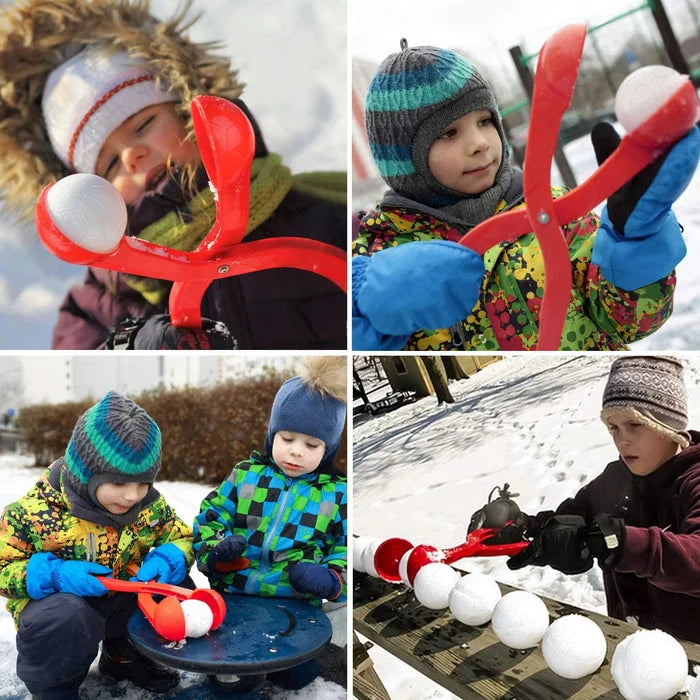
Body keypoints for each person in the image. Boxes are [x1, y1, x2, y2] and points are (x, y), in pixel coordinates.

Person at [0, 0, 346, 350]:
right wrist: (134, 344)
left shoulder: (317, 210)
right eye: (108, 166)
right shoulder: (110, 291)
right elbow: (79, 353)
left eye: (143, 124)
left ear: (185, 110)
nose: (131, 156)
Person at [352, 42, 700, 351]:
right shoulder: (384, 257)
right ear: (401, 159)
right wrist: (368, 306)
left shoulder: (556, 213)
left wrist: (634, 243)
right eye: (448, 132)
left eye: (485, 121)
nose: (479, 143)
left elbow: (627, 321)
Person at [0, 391, 194, 698]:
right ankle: (56, 686)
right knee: (66, 616)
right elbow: (2, 566)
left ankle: (124, 657)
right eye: (118, 483)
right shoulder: (35, 512)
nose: (132, 495)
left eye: (142, 483)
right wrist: (54, 576)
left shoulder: (148, 507)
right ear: (85, 472)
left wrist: (171, 558)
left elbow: (181, 537)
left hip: (122, 598)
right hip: (65, 609)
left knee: (177, 585)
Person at [504, 356, 700, 644]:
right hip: (631, 648)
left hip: (689, 664)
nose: (622, 440)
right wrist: (523, 526)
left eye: (635, 424)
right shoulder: (616, 477)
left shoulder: (694, 480)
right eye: (613, 428)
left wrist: (622, 542)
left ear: (667, 425)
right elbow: (571, 519)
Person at [193, 356, 347, 692]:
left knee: (296, 678)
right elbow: (210, 517)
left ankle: (287, 669)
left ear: (328, 448)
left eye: (311, 445)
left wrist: (331, 578)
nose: (296, 452)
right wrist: (216, 551)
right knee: (230, 679)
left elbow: (342, 545)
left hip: (293, 604)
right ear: (272, 434)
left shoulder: (336, 495)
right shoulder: (246, 475)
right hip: (235, 597)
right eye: (287, 438)